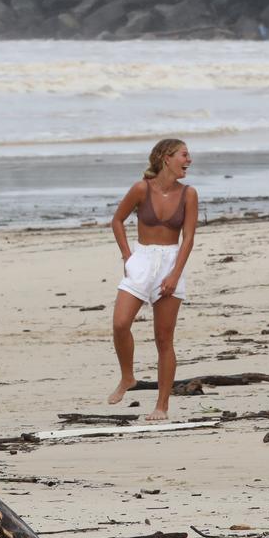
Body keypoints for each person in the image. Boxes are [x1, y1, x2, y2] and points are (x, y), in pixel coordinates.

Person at [107, 139, 198, 421]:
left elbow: (189, 239)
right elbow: (117, 220)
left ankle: (162, 406)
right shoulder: (140, 189)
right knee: (120, 324)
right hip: (142, 259)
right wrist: (127, 256)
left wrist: (174, 274)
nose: (189, 160)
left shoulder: (189, 194)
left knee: (163, 339)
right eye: (184, 155)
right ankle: (128, 377)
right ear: (166, 158)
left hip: (171, 262)